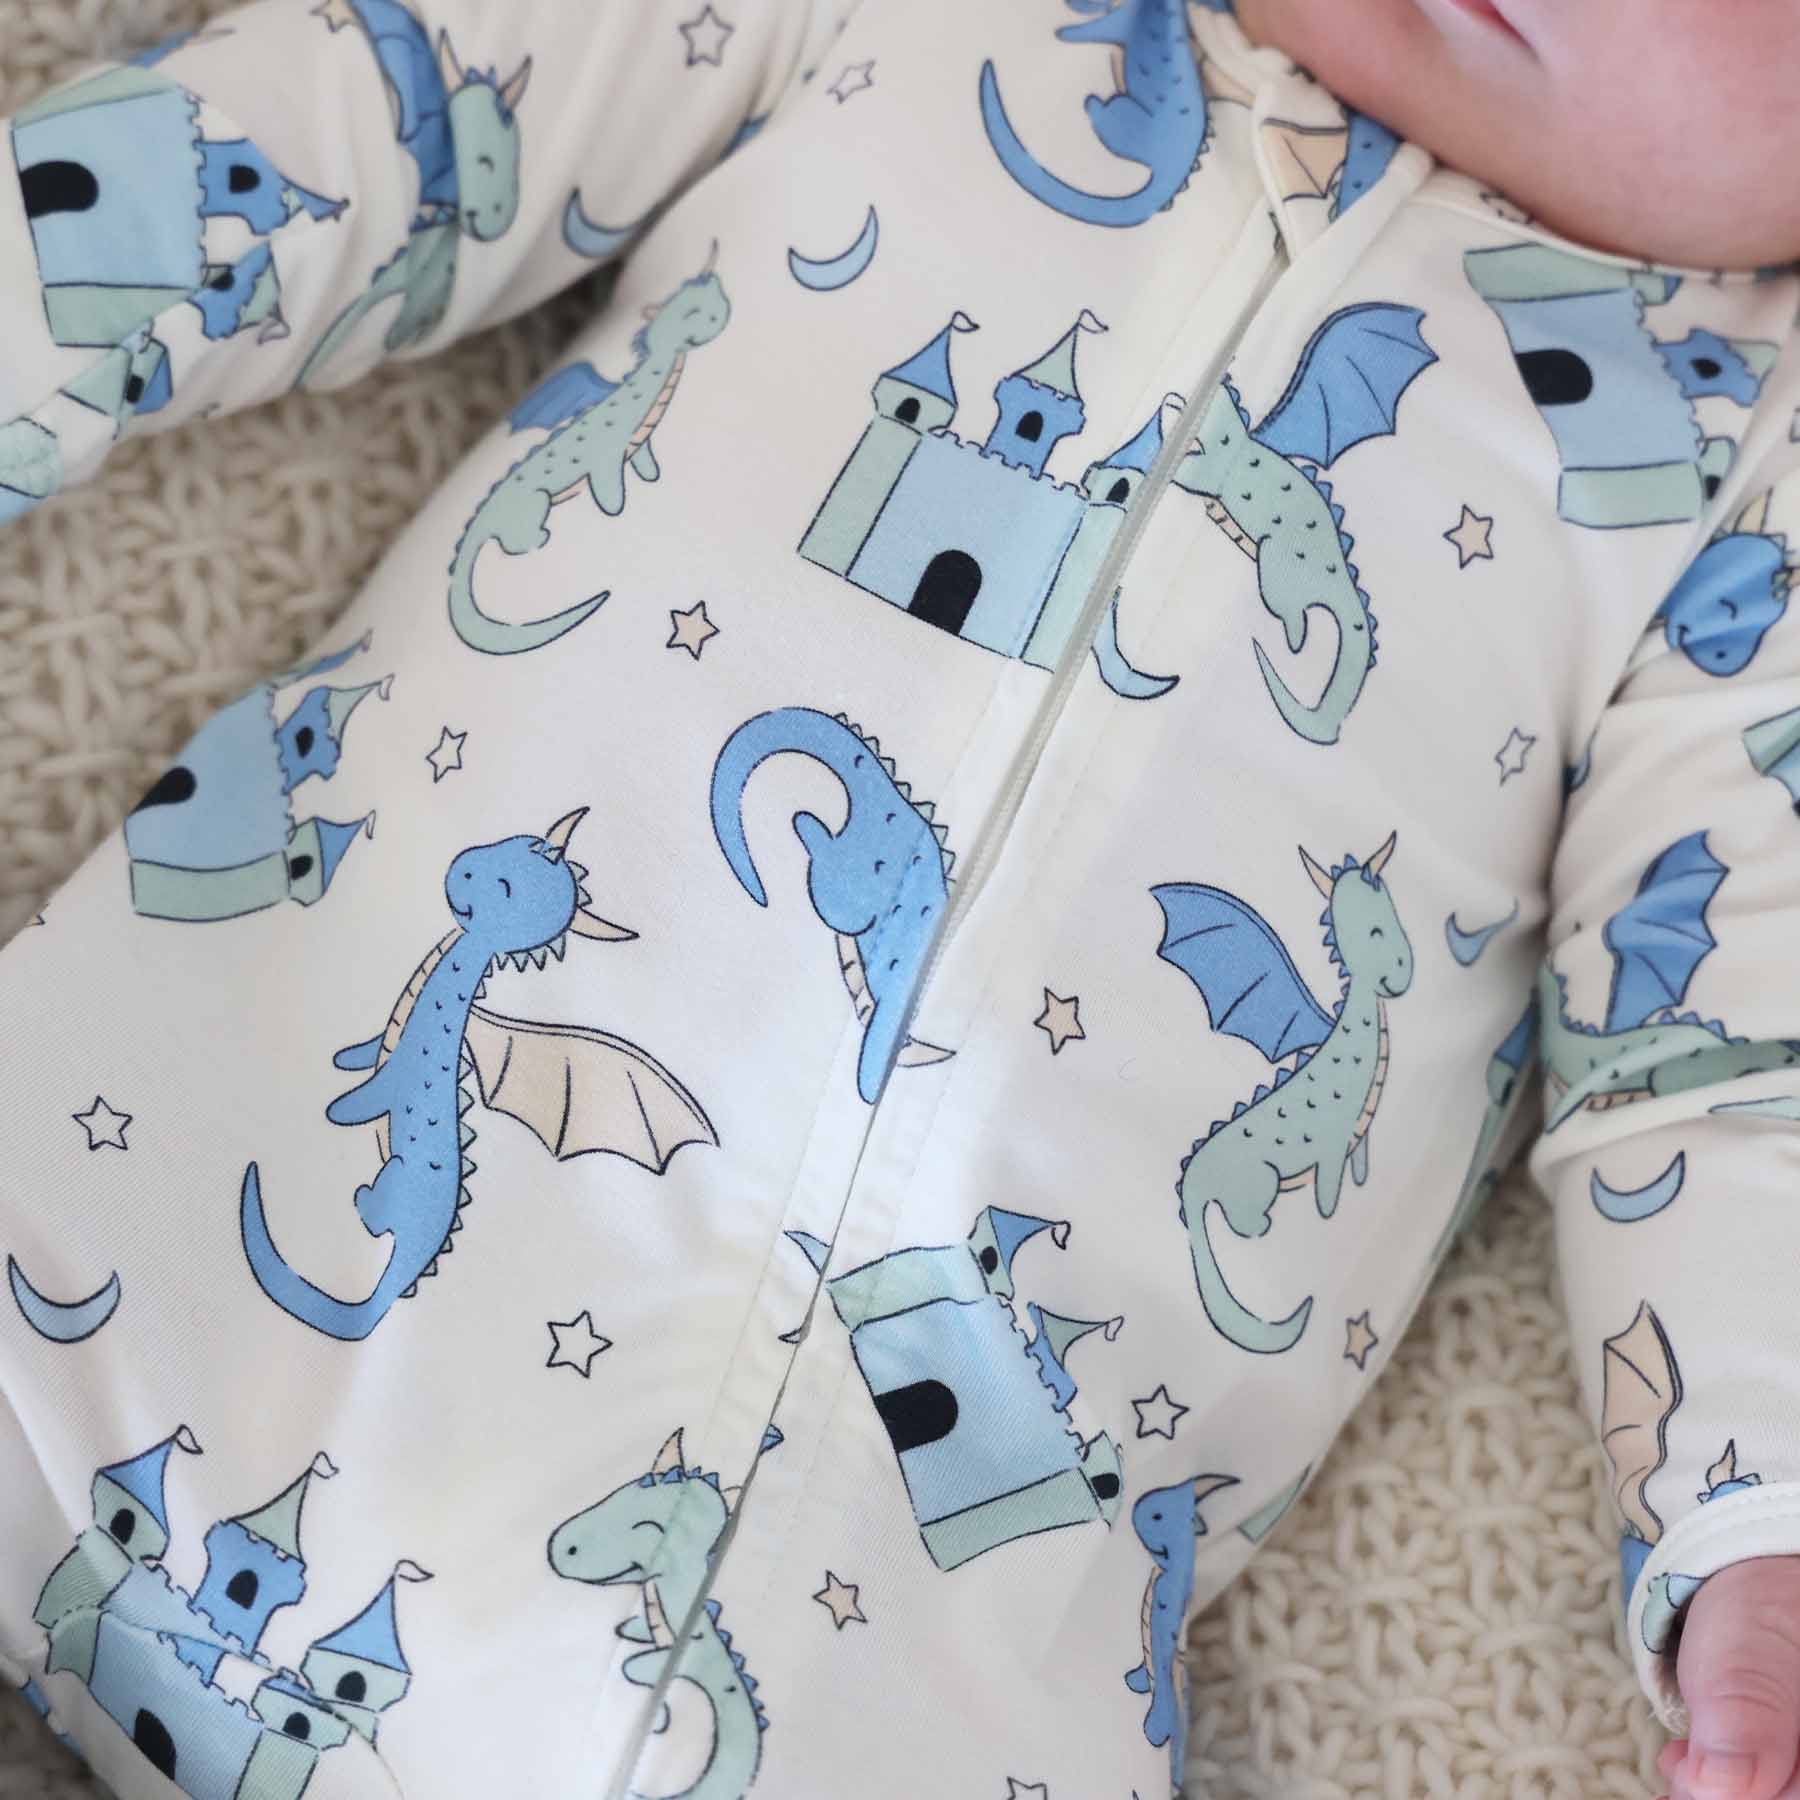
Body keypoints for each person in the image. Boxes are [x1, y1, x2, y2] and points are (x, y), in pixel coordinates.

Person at [0, 2, 1797, 1796]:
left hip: (879, 1640)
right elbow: (360, 116)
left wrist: (1762, 1527)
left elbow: (1732, 1068)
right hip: (134, 1195)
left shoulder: (1748, 480)